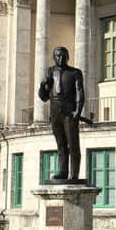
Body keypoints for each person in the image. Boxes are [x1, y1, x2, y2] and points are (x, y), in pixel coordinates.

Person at [37, 46, 85, 181]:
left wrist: (78, 111)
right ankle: (63, 171)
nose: (61, 58)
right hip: (55, 112)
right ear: (54, 58)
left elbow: (80, 93)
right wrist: (43, 85)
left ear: (68, 57)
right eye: (58, 56)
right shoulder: (50, 72)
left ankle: (74, 173)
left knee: (73, 144)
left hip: (69, 112)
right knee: (61, 144)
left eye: (63, 55)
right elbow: (44, 97)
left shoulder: (75, 72)